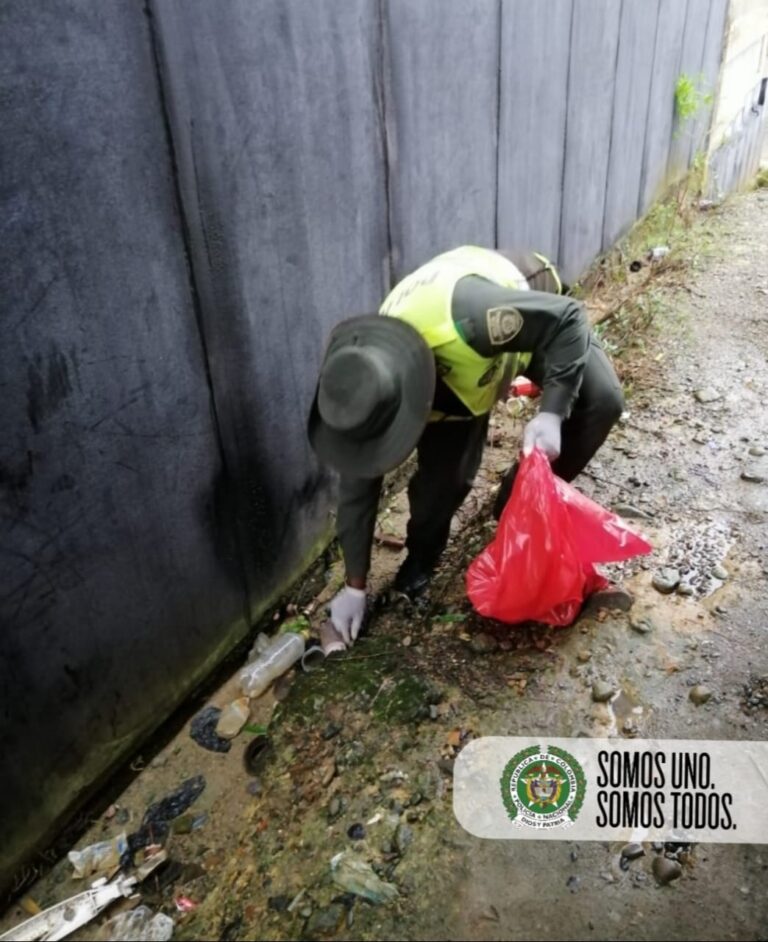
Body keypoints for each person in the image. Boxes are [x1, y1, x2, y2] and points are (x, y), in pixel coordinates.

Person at [307, 246, 624, 646]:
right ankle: (419, 564)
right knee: (446, 481)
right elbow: (357, 491)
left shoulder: (467, 319)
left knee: (602, 401)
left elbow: (568, 319)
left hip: (531, 322)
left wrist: (553, 411)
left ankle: (516, 502)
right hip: (463, 375)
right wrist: (355, 586)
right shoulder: (363, 389)